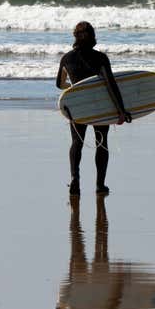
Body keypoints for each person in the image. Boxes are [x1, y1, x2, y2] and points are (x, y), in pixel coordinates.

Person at [56, 22, 131, 195]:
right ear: (93, 36)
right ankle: (100, 185)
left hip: (77, 105)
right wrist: (121, 110)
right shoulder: (100, 58)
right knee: (102, 143)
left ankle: (75, 179)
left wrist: (74, 88)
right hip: (99, 106)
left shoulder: (66, 58)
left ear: (75, 36)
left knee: (77, 143)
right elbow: (110, 85)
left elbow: (59, 84)